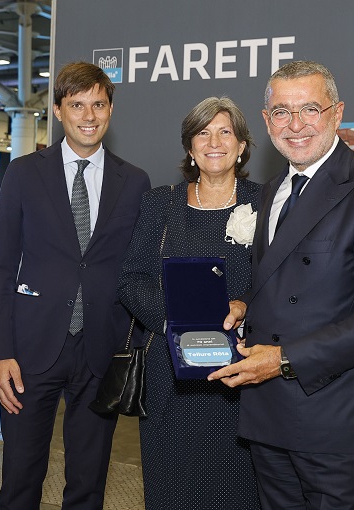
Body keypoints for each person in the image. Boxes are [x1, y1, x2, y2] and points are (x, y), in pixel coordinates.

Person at [208, 61, 354, 510]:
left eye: (310, 109)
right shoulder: (272, 190)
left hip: (336, 421)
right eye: (282, 113)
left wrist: (284, 358)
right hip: (269, 416)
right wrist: (248, 304)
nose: (296, 125)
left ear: (337, 113)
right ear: (266, 122)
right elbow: (286, 279)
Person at [0, 61, 150, 509]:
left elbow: (137, 270)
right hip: (29, 350)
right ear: (58, 110)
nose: (89, 115)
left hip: (101, 351)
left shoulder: (134, 182)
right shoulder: (22, 173)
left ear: (111, 110)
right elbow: (2, 270)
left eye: (98, 104)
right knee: (19, 479)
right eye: (77, 105)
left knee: (89, 484)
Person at [117, 97, 261, 510]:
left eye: (225, 132)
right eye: (203, 133)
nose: (214, 142)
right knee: (171, 493)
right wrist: (176, 320)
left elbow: (283, 281)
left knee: (239, 495)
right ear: (189, 147)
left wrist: (247, 305)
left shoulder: (267, 203)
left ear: (242, 146)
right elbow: (131, 279)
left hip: (241, 379)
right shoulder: (160, 203)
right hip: (171, 381)